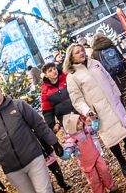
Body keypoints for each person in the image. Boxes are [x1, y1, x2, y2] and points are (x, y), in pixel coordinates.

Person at [64, 43, 126, 176]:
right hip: (98, 111)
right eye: (77, 52)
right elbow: (77, 100)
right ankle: (122, 163)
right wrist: (88, 111)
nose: (81, 53)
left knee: (124, 126)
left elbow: (109, 78)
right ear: (71, 57)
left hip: (113, 101)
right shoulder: (72, 76)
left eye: (82, 50)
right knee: (111, 137)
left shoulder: (95, 63)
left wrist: (117, 94)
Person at [0, 83, 64, 193]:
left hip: (34, 158)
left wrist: (54, 142)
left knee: (45, 190)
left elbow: (38, 124)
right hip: (13, 170)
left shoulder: (18, 105)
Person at [39, 62, 74, 191]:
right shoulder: (45, 91)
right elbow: (47, 111)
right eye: (50, 70)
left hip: (78, 110)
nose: (54, 71)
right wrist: (51, 126)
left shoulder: (65, 77)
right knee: (78, 139)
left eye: (54, 68)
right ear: (46, 75)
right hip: (67, 121)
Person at [63, 113, 118, 193]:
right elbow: (68, 150)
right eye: (77, 123)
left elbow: (94, 128)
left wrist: (94, 120)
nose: (80, 123)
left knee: (104, 170)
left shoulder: (86, 130)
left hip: (96, 156)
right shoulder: (72, 140)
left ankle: (111, 186)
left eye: (80, 121)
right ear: (72, 128)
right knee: (94, 180)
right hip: (87, 164)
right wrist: (64, 154)